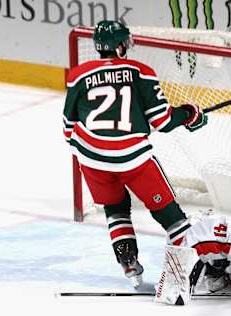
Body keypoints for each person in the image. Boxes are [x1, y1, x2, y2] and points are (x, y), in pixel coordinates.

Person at [62, 20, 208, 288]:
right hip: (133, 158)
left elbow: (68, 127)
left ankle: (130, 266)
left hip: (91, 160)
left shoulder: (77, 75)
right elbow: (163, 121)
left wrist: (96, 147)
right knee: (169, 215)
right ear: (120, 45)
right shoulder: (141, 72)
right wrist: (189, 114)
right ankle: (199, 270)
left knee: (115, 210)